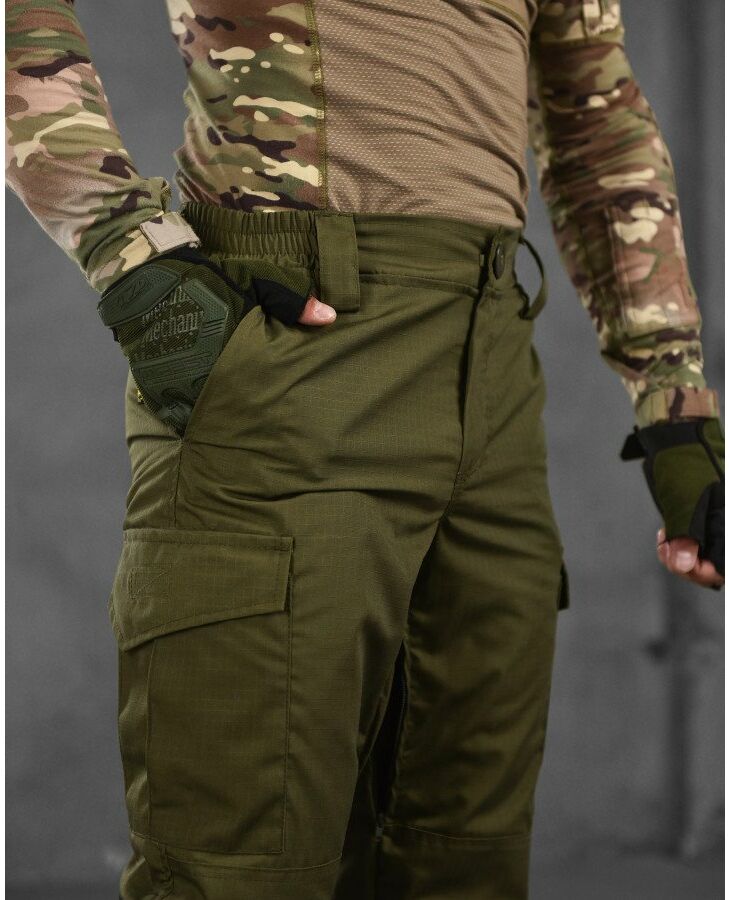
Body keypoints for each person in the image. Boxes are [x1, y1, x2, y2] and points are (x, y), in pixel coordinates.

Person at [6, 1, 724, 898]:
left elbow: (595, 112)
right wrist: (137, 263)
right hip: (288, 351)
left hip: (493, 377)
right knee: (241, 872)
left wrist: (675, 406)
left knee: (464, 865)